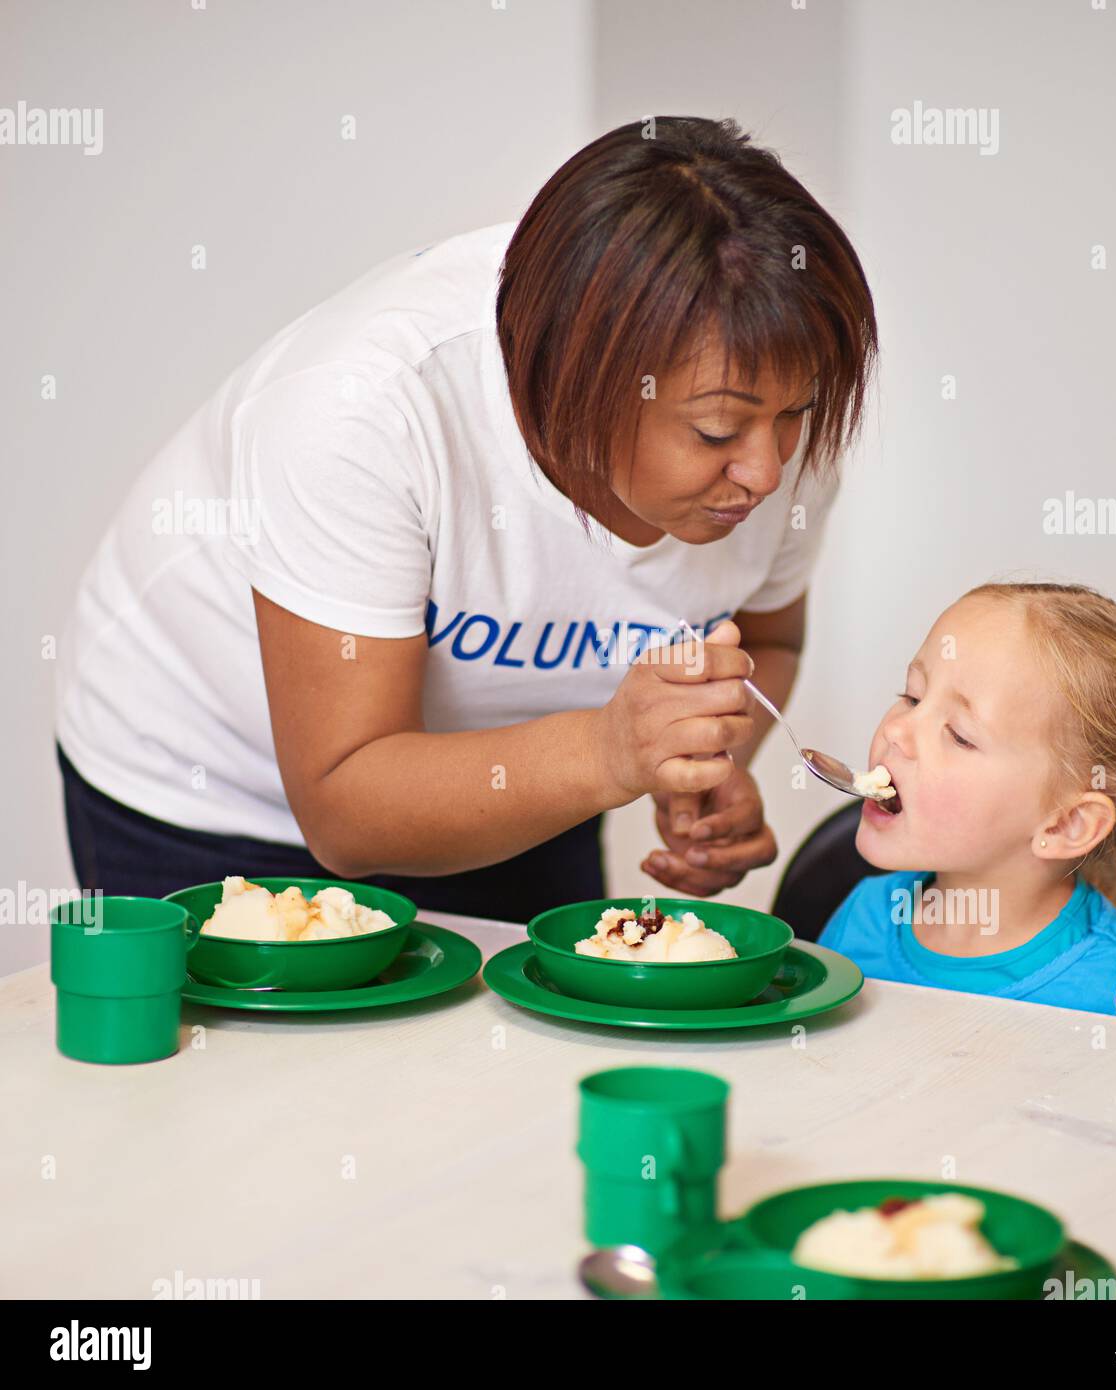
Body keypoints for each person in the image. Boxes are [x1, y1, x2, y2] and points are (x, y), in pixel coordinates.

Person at [54, 116, 878, 920]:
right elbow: (347, 808)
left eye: (796, 415)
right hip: (213, 793)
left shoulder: (773, 420)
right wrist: (611, 752)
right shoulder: (363, 410)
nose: (766, 472)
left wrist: (702, 762)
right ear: (576, 379)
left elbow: (768, 639)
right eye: (715, 431)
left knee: (522, 1052)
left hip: (521, 780)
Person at [820, 582, 1116, 1026]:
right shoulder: (861, 920)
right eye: (912, 696)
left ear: (1067, 825)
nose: (896, 731)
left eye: (959, 735)